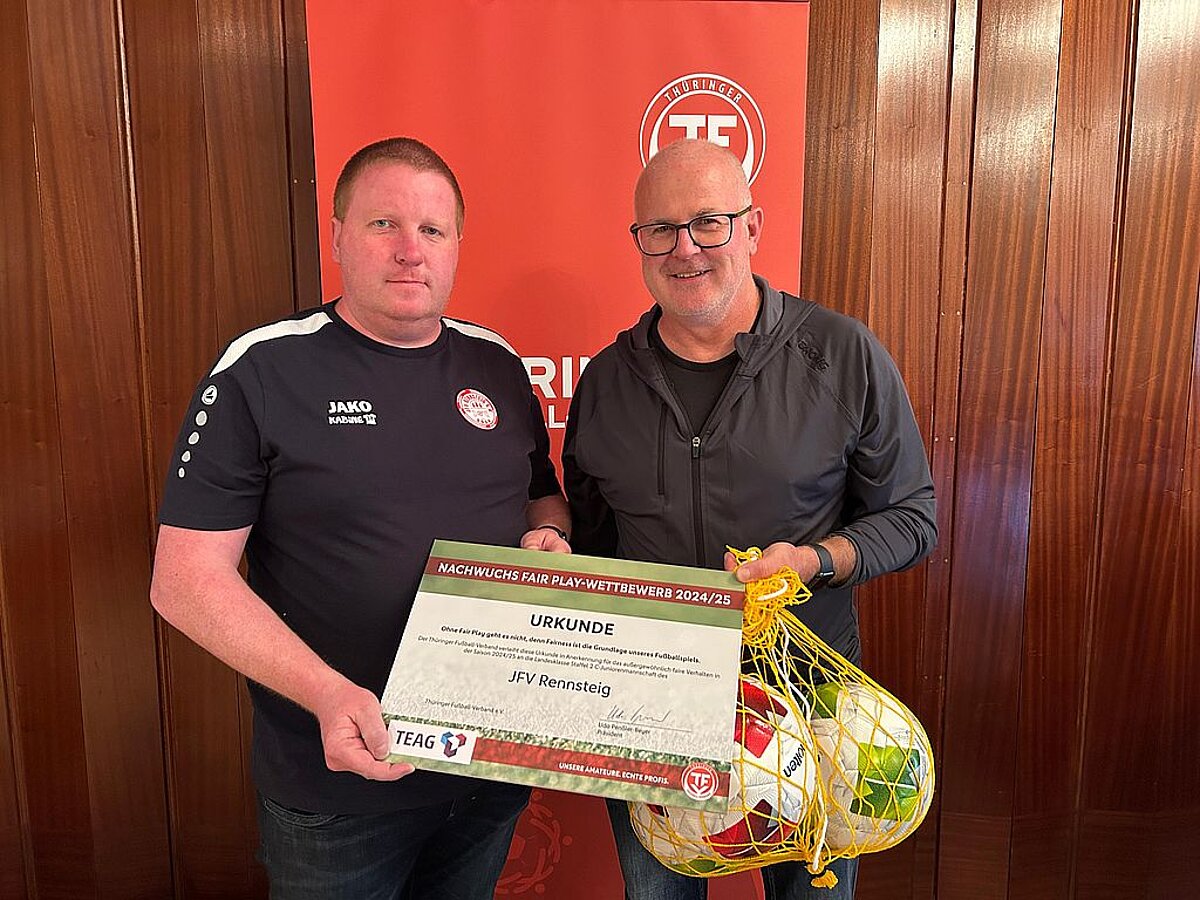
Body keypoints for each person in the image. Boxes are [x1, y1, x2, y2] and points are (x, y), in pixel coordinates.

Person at [150, 137, 571, 899]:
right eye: (385, 225)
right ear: (339, 235)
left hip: (486, 766)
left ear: (456, 246)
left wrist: (552, 534)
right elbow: (184, 581)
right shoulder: (263, 369)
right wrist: (327, 694)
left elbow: (541, 494)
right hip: (340, 785)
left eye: (432, 230)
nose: (411, 250)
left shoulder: (497, 364)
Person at [562, 139, 936, 899]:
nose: (685, 248)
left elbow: (912, 515)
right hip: (653, 705)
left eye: (709, 222)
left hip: (813, 708)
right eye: (660, 229)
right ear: (638, 243)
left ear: (753, 227)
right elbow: (594, 545)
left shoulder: (843, 353)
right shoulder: (604, 381)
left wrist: (814, 560)